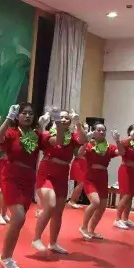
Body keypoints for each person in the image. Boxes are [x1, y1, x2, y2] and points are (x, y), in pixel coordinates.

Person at [33, 108, 87, 254]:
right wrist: (51, 123)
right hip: (47, 172)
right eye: (61, 117)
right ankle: (36, 238)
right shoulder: (47, 134)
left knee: (58, 212)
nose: (64, 119)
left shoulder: (73, 136)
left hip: (62, 174)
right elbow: (58, 140)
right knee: (50, 204)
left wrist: (78, 123)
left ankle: (53, 243)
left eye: (67, 118)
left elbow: (83, 140)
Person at [0, 102, 40, 268]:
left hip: (28, 179)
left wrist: (56, 122)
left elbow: (57, 142)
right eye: (24, 113)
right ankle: (5, 257)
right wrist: (8, 118)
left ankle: (7, 255)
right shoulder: (12, 132)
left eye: (30, 113)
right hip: (11, 176)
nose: (27, 116)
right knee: (19, 216)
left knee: (19, 220)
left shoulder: (36, 135)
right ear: (18, 115)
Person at [79, 124, 123, 239]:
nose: (102, 132)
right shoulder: (90, 144)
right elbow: (79, 154)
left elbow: (122, 152)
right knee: (95, 202)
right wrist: (86, 141)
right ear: (94, 132)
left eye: (104, 130)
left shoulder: (109, 146)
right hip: (90, 177)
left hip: (103, 177)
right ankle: (83, 227)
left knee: (102, 206)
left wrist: (117, 140)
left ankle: (91, 230)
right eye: (99, 130)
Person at [0, 112, 11, 225]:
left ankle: (4, 213)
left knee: (9, 191)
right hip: (5, 164)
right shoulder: (6, 133)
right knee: (4, 190)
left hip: (13, 165)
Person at [67, 123, 89, 208]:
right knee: (81, 183)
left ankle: (74, 200)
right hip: (79, 161)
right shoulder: (76, 136)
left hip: (84, 162)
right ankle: (72, 201)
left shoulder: (84, 136)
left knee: (81, 183)